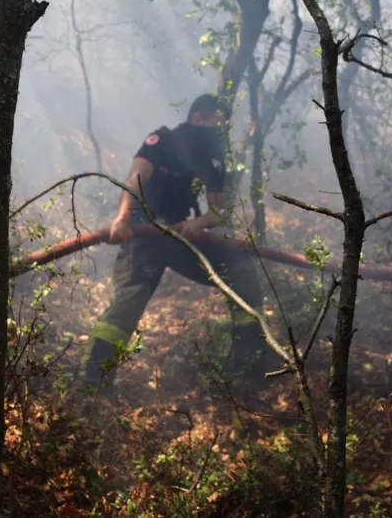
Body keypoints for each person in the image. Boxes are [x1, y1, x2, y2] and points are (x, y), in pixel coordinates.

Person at [79, 94, 270, 391]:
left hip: (181, 236)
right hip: (146, 233)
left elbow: (219, 212)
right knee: (130, 301)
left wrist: (197, 223)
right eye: (215, 125)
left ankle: (251, 369)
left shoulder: (213, 161)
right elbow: (135, 179)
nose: (219, 133)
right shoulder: (161, 141)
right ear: (198, 118)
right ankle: (92, 383)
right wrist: (123, 217)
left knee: (240, 269)